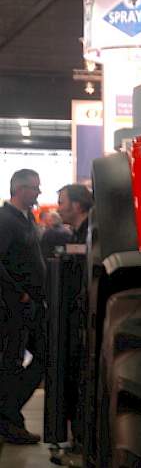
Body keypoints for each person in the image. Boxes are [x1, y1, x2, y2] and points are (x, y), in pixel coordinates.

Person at [0, 169, 46, 444]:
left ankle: (8, 413)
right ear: (19, 189)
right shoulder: (6, 220)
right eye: (34, 187)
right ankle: (9, 420)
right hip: (13, 308)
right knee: (12, 363)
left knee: (41, 357)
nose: (39, 192)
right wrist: (19, 293)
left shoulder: (25, 219)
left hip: (30, 306)